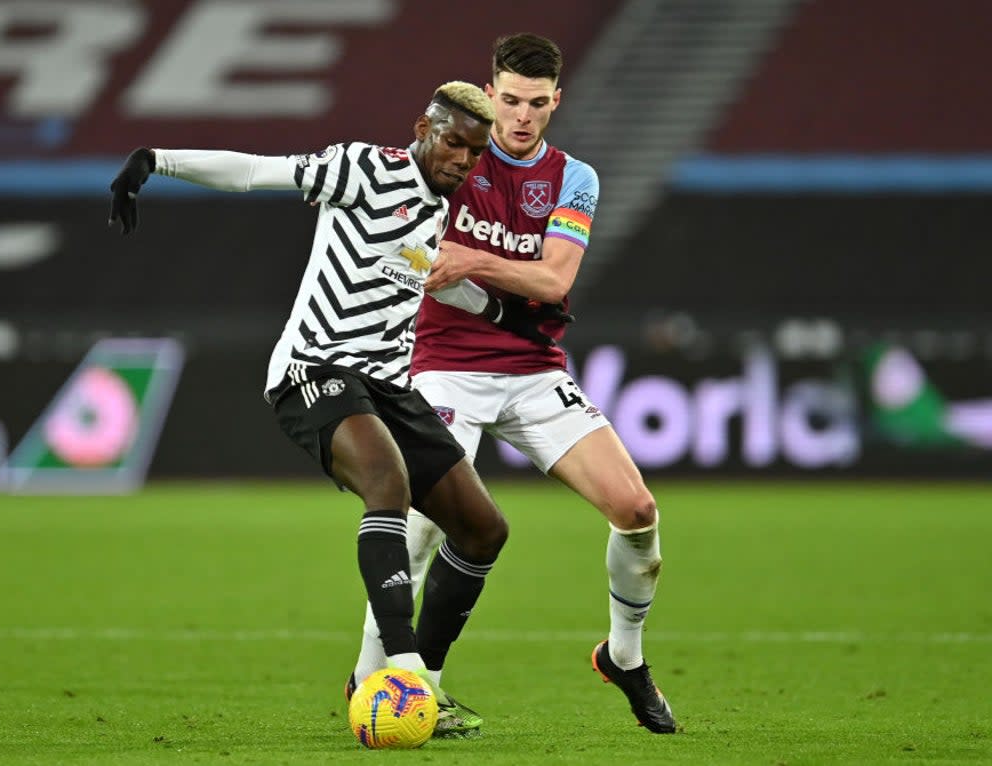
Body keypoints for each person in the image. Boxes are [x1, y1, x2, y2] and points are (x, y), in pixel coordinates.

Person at [107, 81, 552, 730]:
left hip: (389, 388)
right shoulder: (368, 169)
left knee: (484, 529)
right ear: (423, 128)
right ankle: (396, 675)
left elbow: (427, 275)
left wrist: (500, 312)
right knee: (389, 486)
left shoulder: (436, 210)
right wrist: (156, 160)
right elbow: (259, 172)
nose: (462, 159)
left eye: (474, 152)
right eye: (453, 143)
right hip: (315, 369)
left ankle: (423, 680)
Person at [350, 35, 677, 735]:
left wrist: (470, 258)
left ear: (555, 101)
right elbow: (407, 252)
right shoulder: (450, 159)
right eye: (509, 100)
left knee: (637, 509)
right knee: (425, 520)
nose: (520, 117)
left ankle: (623, 656)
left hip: (533, 371)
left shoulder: (574, 178)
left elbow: (555, 279)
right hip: (446, 367)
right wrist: (447, 266)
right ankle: (384, 679)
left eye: (536, 104)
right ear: (489, 92)